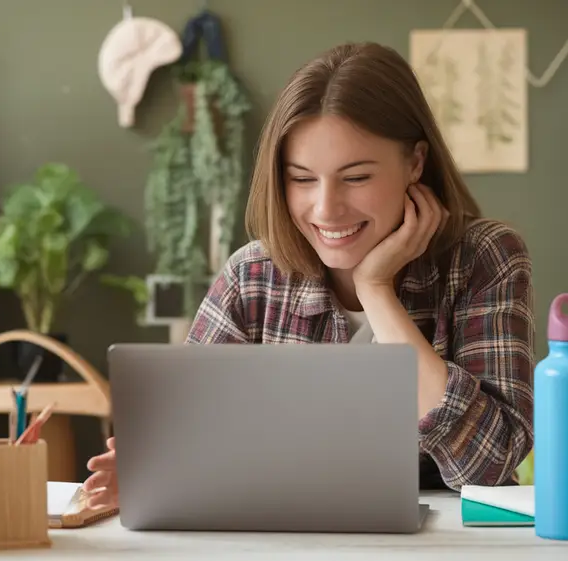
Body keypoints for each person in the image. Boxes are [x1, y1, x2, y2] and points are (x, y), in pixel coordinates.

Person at [83, 41, 534, 509]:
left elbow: (489, 469)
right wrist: (157, 469)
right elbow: (190, 444)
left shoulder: (484, 257)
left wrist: (377, 291)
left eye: (356, 177)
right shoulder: (251, 277)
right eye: (301, 178)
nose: (325, 209)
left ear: (415, 162)